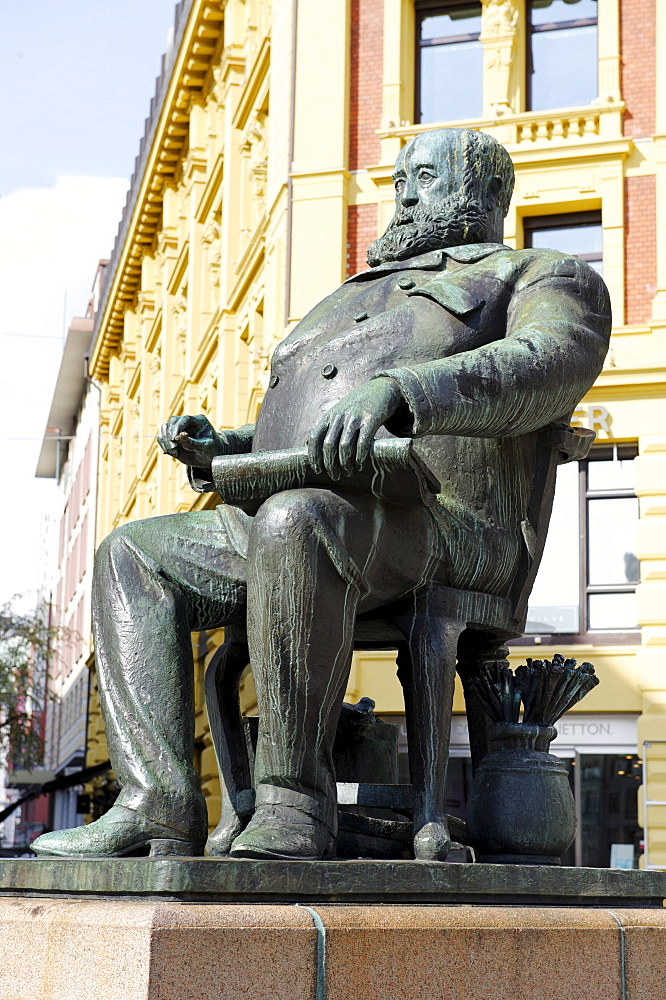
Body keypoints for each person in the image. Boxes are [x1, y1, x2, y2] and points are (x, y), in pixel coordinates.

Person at [32, 128, 610, 862]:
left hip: (444, 523)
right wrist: (229, 446)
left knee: (297, 522)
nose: (403, 192)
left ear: (484, 190)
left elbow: (547, 363)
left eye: (424, 177)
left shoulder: (542, 274)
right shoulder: (349, 296)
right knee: (132, 556)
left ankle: (293, 803)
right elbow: (314, 418)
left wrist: (401, 391)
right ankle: (157, 802)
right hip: (304, 509)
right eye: (399, 177)